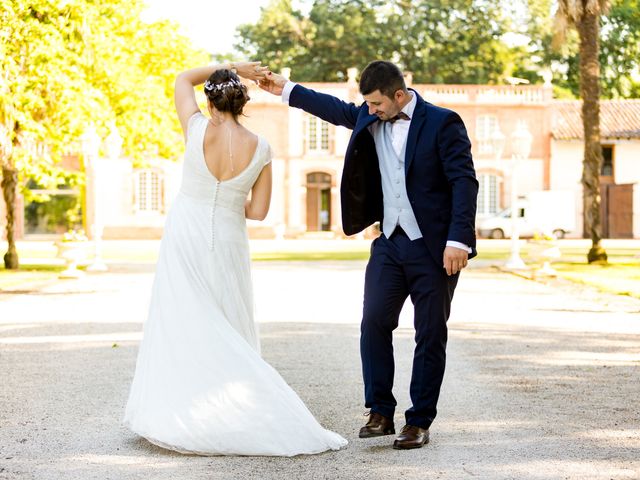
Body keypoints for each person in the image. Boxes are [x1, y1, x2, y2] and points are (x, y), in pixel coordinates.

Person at [123, 61, 347, 456]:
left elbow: (181, 78)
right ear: (243, 103)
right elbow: (258, 212)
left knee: (182, 316)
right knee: (227, 315)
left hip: (185, 234)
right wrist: (226, 198)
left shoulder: (195, 129)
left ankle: (185, 411)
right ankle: (237, 406)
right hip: (228, 236)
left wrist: (232, 66)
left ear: (209, 103)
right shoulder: (261, 148)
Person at [260, 61, 478, 450]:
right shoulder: (369, 114)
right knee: (373, 322)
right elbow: (329, 107)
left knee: (430, 333)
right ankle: (380, 411)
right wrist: (285, 88)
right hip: (389, 243)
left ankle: (419, 421)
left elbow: (464, 181)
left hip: (434, 248)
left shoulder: (444, 123)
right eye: (368, 105)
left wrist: (458, 240)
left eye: (377, 104)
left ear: (399, 95)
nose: (371, 111)